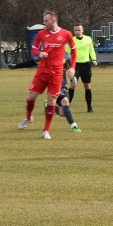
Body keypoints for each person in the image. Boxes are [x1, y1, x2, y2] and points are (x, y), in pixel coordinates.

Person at [18, 10, 77, 139]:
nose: (44, 23)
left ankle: (46, 130)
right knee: (31, 97)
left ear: (53, 21)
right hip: (42, 70)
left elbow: (74, 51)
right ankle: (28, 117)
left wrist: (72, 68)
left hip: (56, 73)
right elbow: (33, 48)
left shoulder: (66, 34)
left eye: (46, 21)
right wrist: (39, 53)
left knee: (51, 102)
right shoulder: (41, 34)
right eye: (43, 20)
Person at [68, 23, 98, 112]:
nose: (77, 32)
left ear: (82, 30)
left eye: (79, 30)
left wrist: (94, 59)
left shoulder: (88, 39)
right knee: (73, 84)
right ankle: (67, 107)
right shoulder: (71, 40)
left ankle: (89, 107)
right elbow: (66, 53)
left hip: (86, 65)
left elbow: (91, 50)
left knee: (87, 86)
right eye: (75, 30)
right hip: (75, 66)